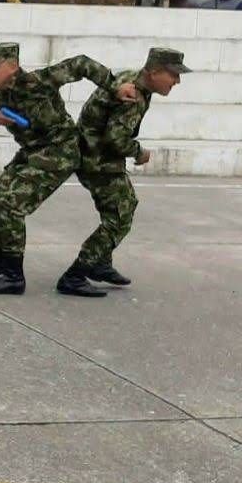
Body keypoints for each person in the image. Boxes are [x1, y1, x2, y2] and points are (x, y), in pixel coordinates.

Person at [0, 41, 139, 296]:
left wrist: (114, 86)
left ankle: (14, 276)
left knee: (10, 205)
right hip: (31, 152)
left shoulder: (39, 81)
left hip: (59, 152)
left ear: (13, 67)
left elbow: (81, 64)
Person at [56, 46, 189, 296]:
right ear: (155, 72)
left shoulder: (132, 79)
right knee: (120, 214)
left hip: (92, 153)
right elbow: (115, 139)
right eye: (173, 75)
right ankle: (76, 273)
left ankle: (101, 263)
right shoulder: (133, 95)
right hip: (97, 159)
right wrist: (139, 152)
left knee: (118, 209)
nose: (177, 81)